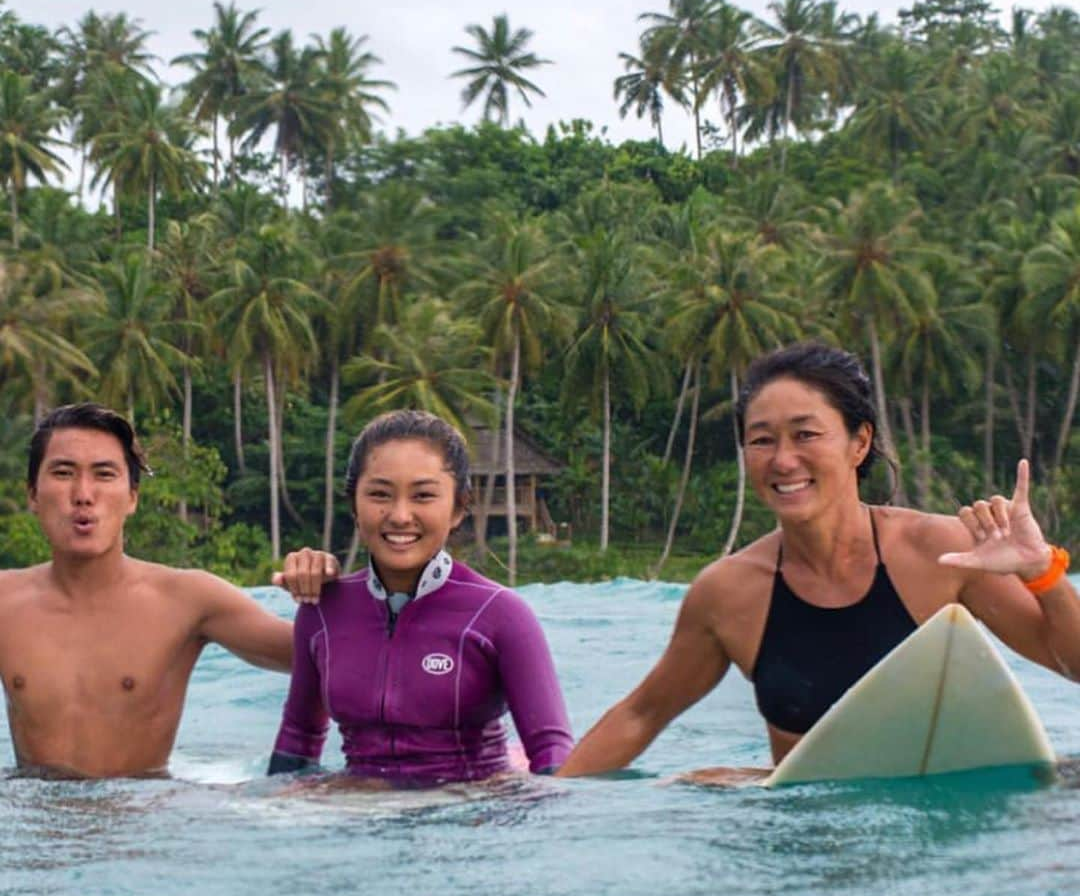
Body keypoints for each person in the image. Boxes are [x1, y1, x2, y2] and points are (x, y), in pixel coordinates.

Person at [556, 342, 1079, 782]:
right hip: (813, 849)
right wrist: (554, 805)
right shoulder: (728, 594)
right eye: (762, 440)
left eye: (806, 434)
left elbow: (1072, 666)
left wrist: (1042, 573)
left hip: (955, 828)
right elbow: (641, 715)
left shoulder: (940, 551)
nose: (783, 460)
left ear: (859, 442)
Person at [268, 409, 573, 784]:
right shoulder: (322, 611)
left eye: (423, 496)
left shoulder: (501, 615)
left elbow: (552, 750)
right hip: (358, 805)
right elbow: (299, 739)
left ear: (459, 508)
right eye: (380, 494)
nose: (399, 515)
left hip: (473, 808)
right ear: (354, 504)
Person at [0, 403, 293, 779]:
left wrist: (329, 586)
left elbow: (327, 658)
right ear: (33, 495)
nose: (83, 494)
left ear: (133, 497)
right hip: (33, 819)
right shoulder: (6, 604)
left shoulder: (190, 600)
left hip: (143, 818)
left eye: (104, 474)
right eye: (62, 472)